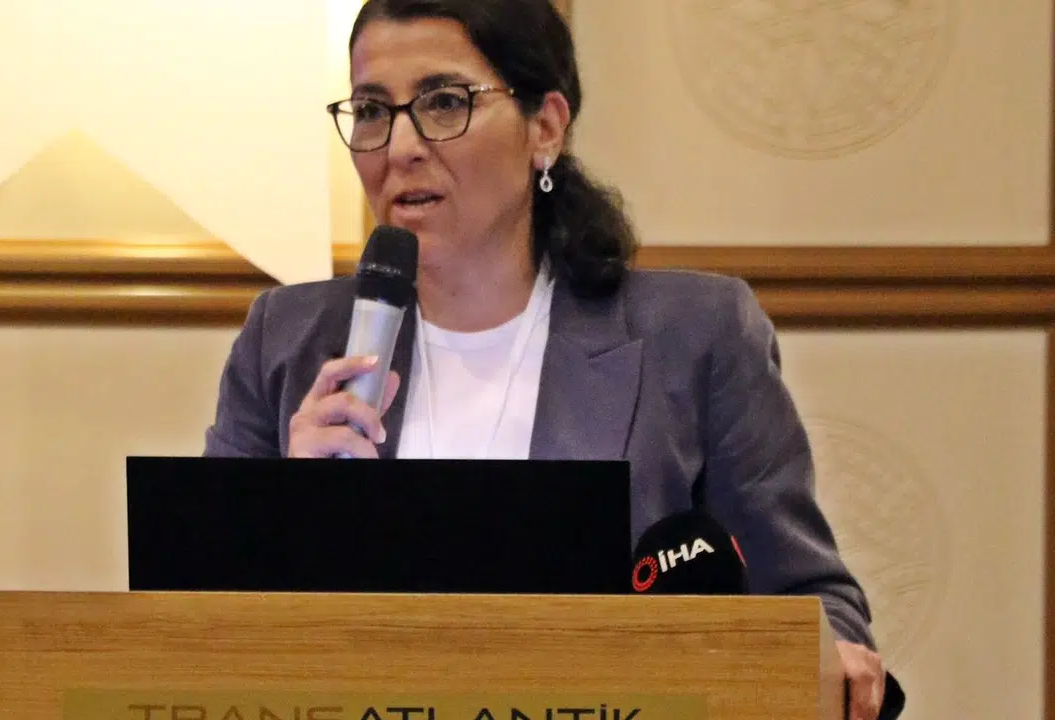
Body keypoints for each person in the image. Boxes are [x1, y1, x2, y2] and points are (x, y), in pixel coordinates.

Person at [203, 0, 887, 717]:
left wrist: (833, 660)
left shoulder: (695, 336)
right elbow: (190, 626)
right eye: (372, 111)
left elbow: (811, 605)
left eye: (443, 102)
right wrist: (285, 512)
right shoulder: (285, 342)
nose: (399, 147)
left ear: (546, 128)